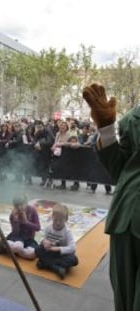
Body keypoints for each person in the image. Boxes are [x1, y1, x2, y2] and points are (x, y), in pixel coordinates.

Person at [83, 83, 139, 311]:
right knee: (124, 295)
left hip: (128, 216)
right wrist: (106, 128)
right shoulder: (133, 119)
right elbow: (120, 168)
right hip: (128, 215)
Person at [0, 194, 40, 259]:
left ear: (26, 203)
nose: (19, 207)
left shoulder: (32, 211)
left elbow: (38, 228)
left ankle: (6, 249)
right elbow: (15, 233)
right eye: (17, 205)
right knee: (18, 247)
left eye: (22, 204)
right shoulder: (13, 214)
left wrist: (26, 222)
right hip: (17, 238)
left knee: (32, 255)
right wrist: (15, 220)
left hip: (29, 239)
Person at [34, 204, 78, 279]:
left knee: (74, 260)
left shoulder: (67, 231)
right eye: (55, 220)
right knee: (37, 249)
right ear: (52, 217)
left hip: (60, 254)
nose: (57, 222)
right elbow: (42, 239)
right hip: (50, 252)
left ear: (66, 219)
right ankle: (56, 268)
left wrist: (57, 249)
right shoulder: (48, 227)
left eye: (60, 220)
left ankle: (45, 264)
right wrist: (45, 242)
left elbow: (73, 248)